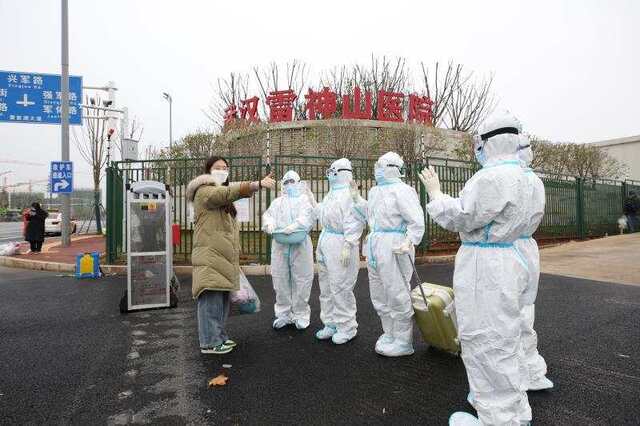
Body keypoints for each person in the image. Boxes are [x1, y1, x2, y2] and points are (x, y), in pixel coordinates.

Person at [420, 112, 533, 425]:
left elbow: (463, 216)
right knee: (505, 335)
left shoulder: (491, 178)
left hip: (486, 265)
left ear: (490, 141)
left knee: (484, 337)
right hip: (507, 258)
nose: (477, 148)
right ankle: (514, 410)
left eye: (479, 142)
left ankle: (497, 418)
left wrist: (436, 195)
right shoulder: (522, 175)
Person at [186, 156, 275, 355]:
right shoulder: (204, 192)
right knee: (210, 301)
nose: (222, 170)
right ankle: (209, 342)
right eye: (217, 167)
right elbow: (226, 192)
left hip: (222, 258)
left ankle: (219, 337)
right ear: (208, 171)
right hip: (210, 257)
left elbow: (227, 197)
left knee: (221, 302)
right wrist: (256, 184)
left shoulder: (224, 199)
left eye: (225, 167)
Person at [354, 152, 425, 357]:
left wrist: (409, 241)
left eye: (381, 165)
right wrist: (356, 199)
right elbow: (371, 215)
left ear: (393, 168)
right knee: (379, 293)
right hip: (376, 245)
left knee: (396, 291)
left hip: (395, 246)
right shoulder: (376, 191)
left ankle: (404, 341)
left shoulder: (404, 191)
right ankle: (390, 333)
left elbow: (416, 220)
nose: (377, 168)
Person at [307, 158, 365, 344]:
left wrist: (349, 244)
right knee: (326, 286)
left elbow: (355, 221)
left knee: (341, 286)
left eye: (333, 171)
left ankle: (347, 327)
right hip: (327, 241)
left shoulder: (349, 195)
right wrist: (312, 201)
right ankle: (330, 323)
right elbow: (323, 214)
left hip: (341, 244)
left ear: (342, 172)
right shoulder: (332, 193)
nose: (330, 174)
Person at [515, 136, 554, 392]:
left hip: (506, 253)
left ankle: (515, 377)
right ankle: (532, 371)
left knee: (507, 315)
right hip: (526, 250)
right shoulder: (533, 181)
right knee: (524, 311)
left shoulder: (506, 180)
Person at [262, 170, 315, 330]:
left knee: (302, 280)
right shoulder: (278, 202)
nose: (289, 185)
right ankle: (283, 314)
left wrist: (294, 226)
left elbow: (308, 216)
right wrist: (269, 225)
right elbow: (268, 215)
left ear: (299, 183)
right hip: (280, 245)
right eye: (286, 182)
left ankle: (301, 314)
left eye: (292, 181)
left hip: (301, 245)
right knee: (280, 280)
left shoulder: (304, 200)